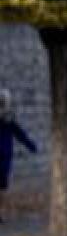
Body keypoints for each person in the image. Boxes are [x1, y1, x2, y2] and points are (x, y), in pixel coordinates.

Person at [0, 88, 38, 224]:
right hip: (4, 155)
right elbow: (20, 134)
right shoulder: (9, 119)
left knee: (2, 186)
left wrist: (31, 145)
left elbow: (19, 133)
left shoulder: (9, 119)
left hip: (4, 157)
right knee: (2, 186)